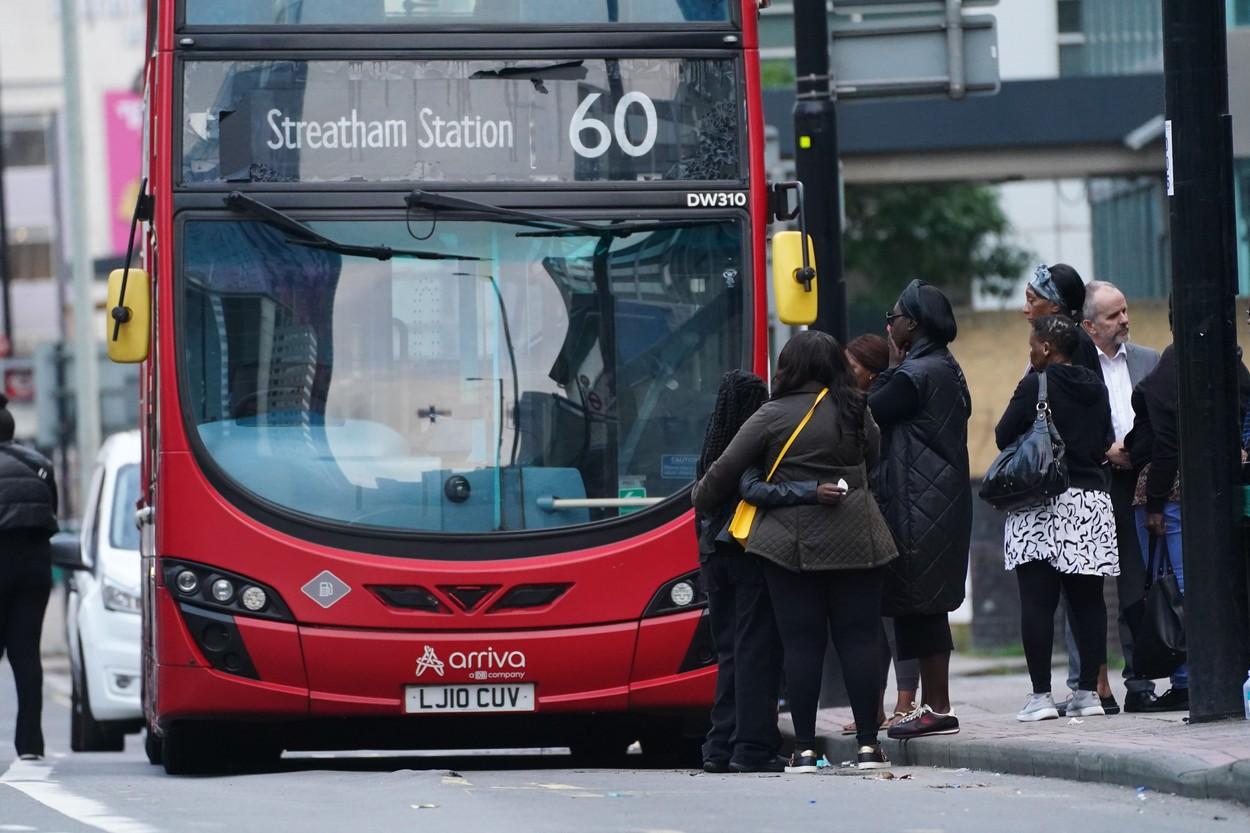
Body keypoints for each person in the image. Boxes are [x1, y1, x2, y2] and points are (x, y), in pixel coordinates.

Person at [693, 331, 898, 773]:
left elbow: (720, 476)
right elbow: (873, 456)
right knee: (860, 640)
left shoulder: (771, 415)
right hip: (858, 536)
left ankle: (805, 748)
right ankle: (867, 746)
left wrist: (702, 496)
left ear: (789, 368)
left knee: (801, 644)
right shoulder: (856, 408)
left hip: (789, 547)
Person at [693, 370, 837, 773]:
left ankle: (719, 746)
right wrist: (811, 491)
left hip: (712, 558)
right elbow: (756, 490)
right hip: (746, 555)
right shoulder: (750, 448)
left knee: (729, 653)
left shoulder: (711, 450)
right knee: (756, 650)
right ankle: (752, 746)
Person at [996, 316, 1118, 721]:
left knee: (1037, 601)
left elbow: (1003, 433)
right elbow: (1104, 438)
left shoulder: (1037, 383)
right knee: (1088, 602)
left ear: (1047, 348)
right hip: (1090, 502)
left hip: (1044, 504)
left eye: (1033, 345)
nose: (1030, 351)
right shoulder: (1096, 388)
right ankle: (1087, 694)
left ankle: (1041, 697)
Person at [871, 281, 972, 741]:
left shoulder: (914, 376)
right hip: (932, 502)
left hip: (920, 505)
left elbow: (870, 409)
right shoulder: (941, 367)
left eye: (893, 316)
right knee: (920, 605)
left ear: (913, 323)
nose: (888, 324)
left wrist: (886, 368)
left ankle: (939, 706)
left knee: (925, 606)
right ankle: (930, 706)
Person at [1055, 281, 1159, 715]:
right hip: (1092, 483)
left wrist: (1137, 450)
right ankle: (1088, 686)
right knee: (1085, 586)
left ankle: (1140, 680)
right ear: (1088, 325)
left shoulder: (1149, 361)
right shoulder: (1076, 364)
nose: (1125, 320)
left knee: (1136, 584)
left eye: (1125, 310)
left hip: (1139, 482)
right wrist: (1103, 449)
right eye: (1114, 315)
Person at [842, 334, 919, 735]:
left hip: (891, 511)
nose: (843, 374)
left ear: (872, 374)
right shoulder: (845, 406)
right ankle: (869, 708)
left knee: (895, 613)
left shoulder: (881, 403)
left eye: (851, 368)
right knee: (869, 620)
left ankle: (905, 702)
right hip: (866, 512)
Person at [0, 393, 60, 760]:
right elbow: (51, 512)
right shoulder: (40, 464)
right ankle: (31, 744)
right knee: (26, 655)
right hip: (34, 566)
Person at [1021, 263, 1103, 378]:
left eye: (1031, 300)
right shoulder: (1053, 339)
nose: (1025, 309)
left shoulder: (1075, 344)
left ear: (1055, 305)